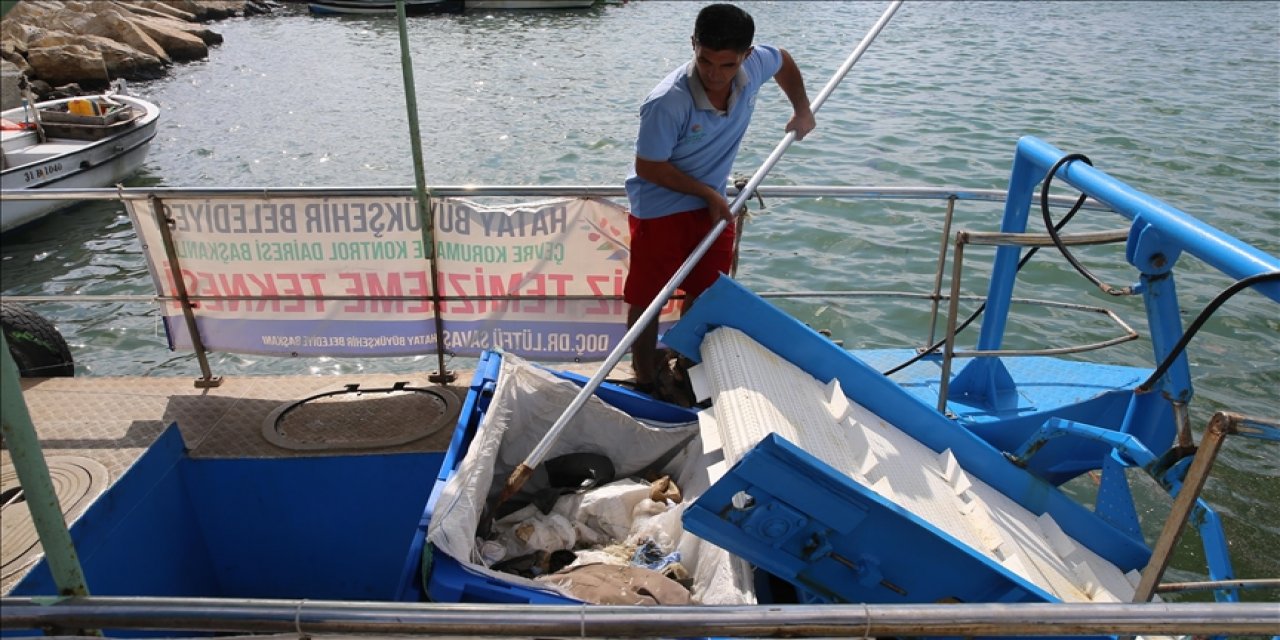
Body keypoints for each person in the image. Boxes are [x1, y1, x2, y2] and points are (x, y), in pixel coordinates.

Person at [623, 3, 815, 396]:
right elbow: (648, 167)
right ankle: (644, 378)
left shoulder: (757, 64)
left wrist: (802, 109)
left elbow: (783, 61)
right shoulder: (667, 101)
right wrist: (708, 192)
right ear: (693, 44)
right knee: (649, 301)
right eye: (705, 60)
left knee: (708, 292)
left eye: (727, 65)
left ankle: (684, 366)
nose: (714, 74)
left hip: (712, 204)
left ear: (745, 56)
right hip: (660, 208)